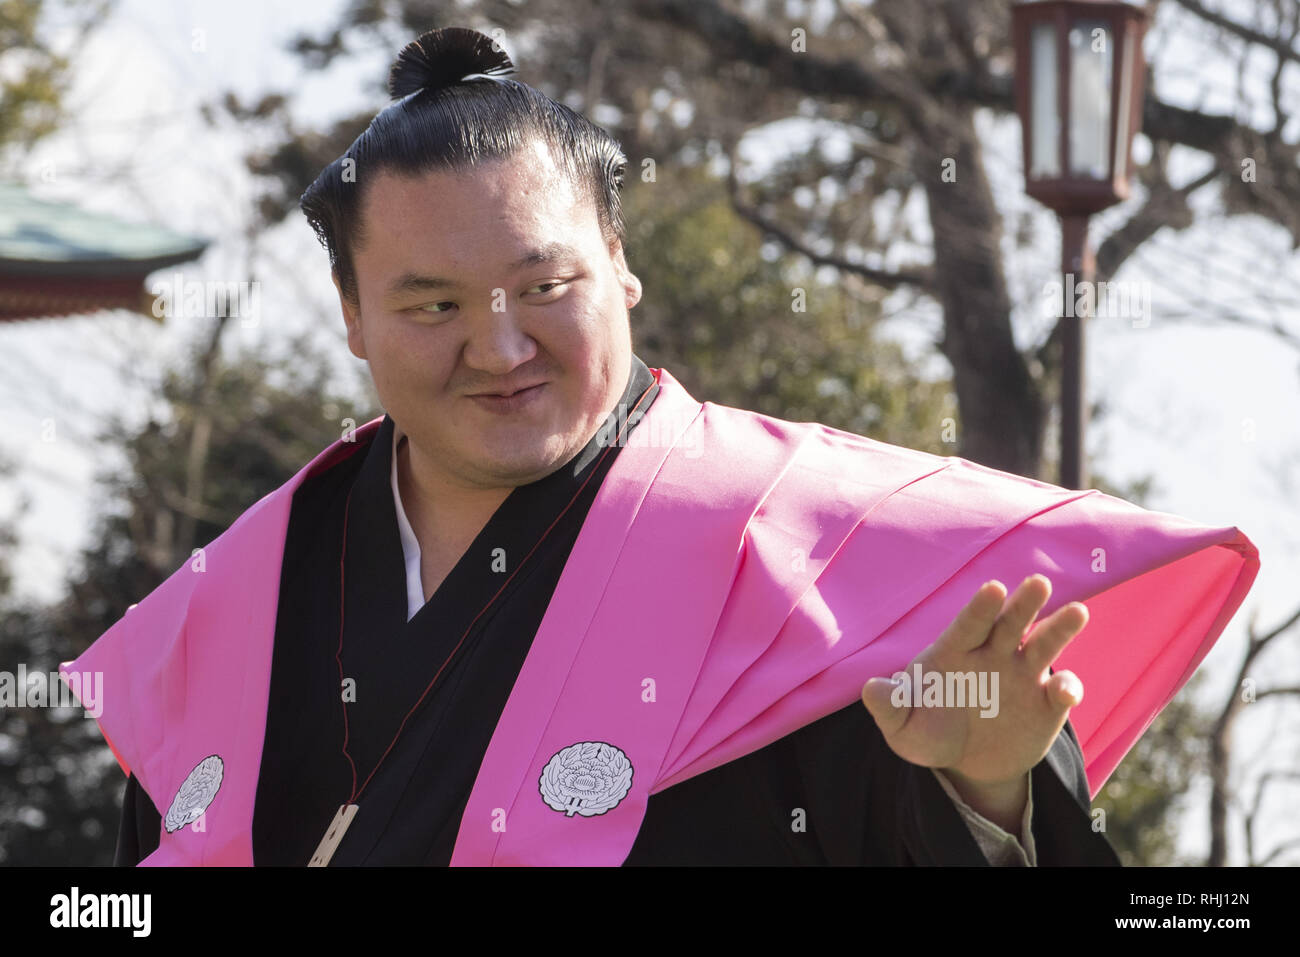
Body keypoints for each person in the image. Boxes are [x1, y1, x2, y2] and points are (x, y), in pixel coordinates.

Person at [63, 27, 1259, 867]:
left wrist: (988, 793)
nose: (500, 346)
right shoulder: (234, 603)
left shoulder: (814, 563)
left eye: (546, 285)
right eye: (433, 306)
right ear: (353, 319)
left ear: (620, 268)